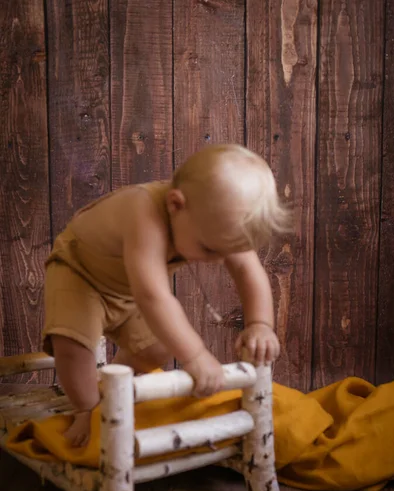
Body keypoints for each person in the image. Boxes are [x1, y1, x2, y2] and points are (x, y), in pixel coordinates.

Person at [42, 143, 290, 446]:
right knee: (73, 346)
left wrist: (260, 324)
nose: (215, 260)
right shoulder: (143, 211)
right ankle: (87, 410)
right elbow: (152, 295)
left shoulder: (210, 220)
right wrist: (196, 355)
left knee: (156, 348)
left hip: (127, 287)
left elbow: (249, 272)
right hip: (80, 273)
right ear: (175, 204)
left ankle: (113, 390)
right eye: (209, 249)